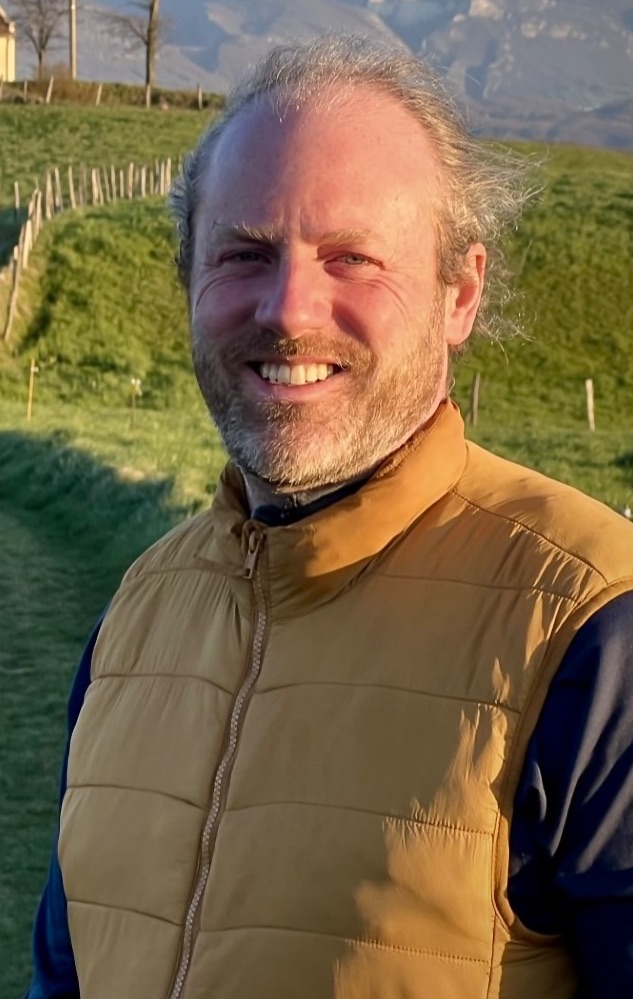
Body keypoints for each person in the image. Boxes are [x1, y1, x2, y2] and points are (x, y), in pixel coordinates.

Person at [25, 34, 633, 999]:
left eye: (351, 258)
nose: (289, 310)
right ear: (187, 276)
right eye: (244, 253)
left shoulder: (592, 630)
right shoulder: (136, 616)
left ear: (460, 294)